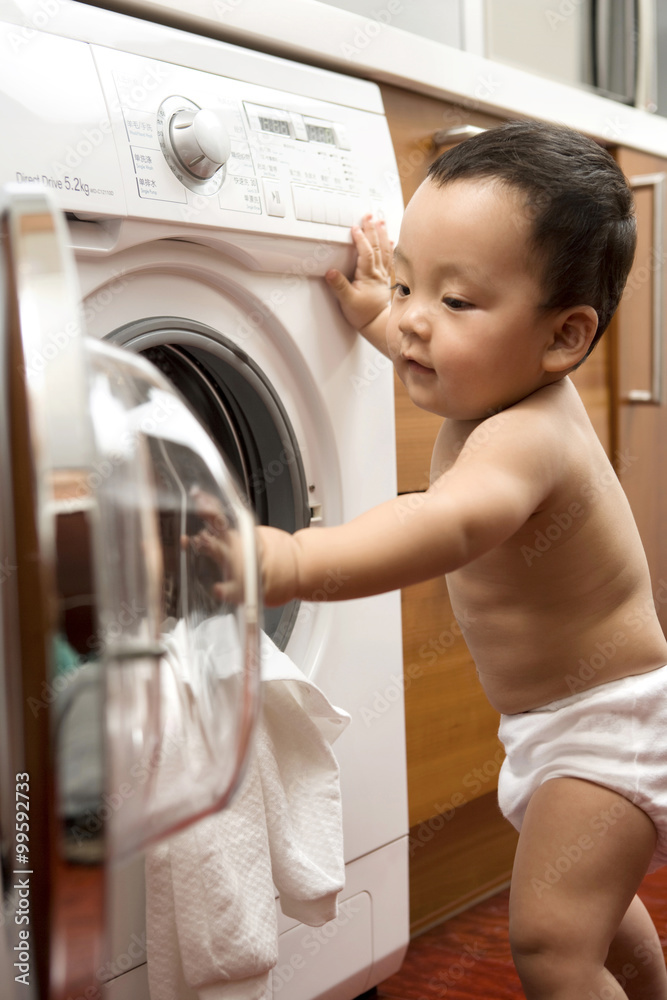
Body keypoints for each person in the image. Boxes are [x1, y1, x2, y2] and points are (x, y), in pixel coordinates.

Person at [193, 121, 667, 999]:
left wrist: (292, 560)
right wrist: (379, 308)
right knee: (591, 908)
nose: (415, 320)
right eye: (410, 281)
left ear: (563, 338)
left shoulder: (528, 438)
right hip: (553, 721)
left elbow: (445, 523)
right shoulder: (490, 379)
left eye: (454, 302)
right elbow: (424, 349)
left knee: (552, 946)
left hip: (607, 723)